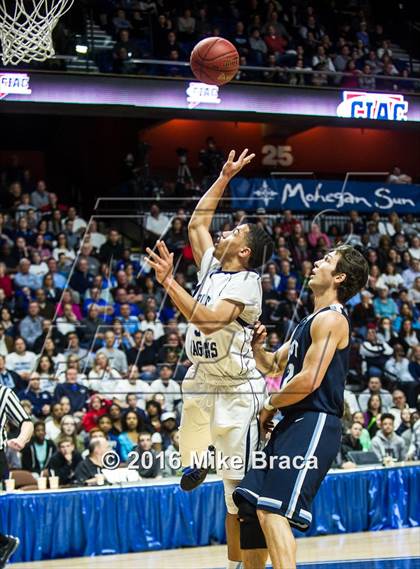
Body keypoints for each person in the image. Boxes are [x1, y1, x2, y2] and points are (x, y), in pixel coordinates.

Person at [146, 148, 274, 569]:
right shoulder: (211, 270)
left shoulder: (249, 282)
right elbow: (198, 222)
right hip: (203, 381)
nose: (224, 232)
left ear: (245, 253)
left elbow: (210, 321)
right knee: (201, 463)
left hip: (238, 391)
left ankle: (247, 562)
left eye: (235, 232)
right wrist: (224, 176)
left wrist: (168, 282)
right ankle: (199, 459)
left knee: (237, 493)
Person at [232, 245, 369, 569]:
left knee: (272, 510)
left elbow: (308, 381)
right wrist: (258, 346)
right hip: (292, 422)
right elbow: (272, 366)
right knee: (250, 508)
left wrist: (268, 404)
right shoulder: (307, 323)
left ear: (339, 276)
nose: (316, 262)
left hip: (315, 421)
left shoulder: (332, 320)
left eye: (326, 260)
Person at [0, 384, 34, 565]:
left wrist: (21, 439)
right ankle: (5, 543)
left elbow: (26, 422)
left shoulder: (3, 393)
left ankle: (5, 543)